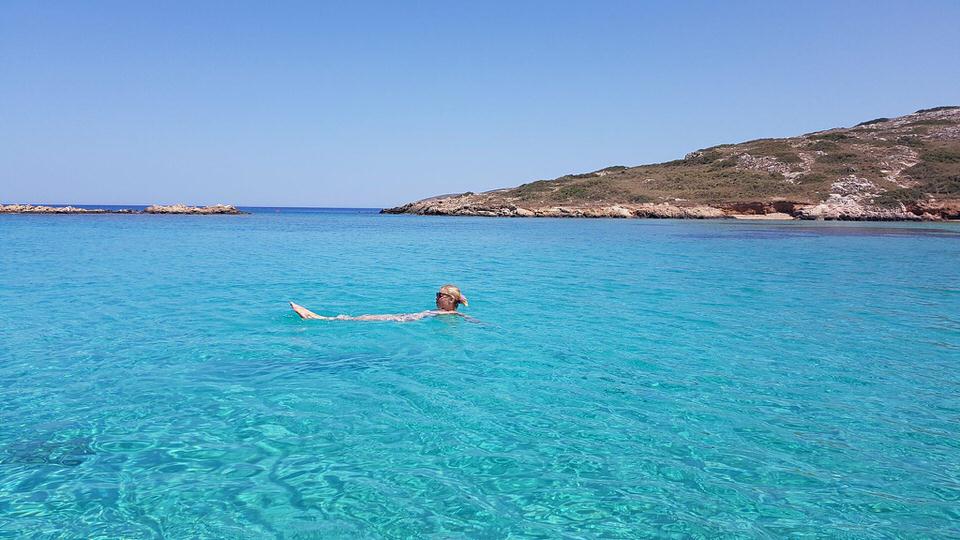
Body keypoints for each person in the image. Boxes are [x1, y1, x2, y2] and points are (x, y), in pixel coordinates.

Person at [290, 284, 475, 322]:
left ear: (450, 299)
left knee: (362, 319)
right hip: (403, 319)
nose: (436, 297)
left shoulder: (454, 314)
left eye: (440, 294)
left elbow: (469, 320)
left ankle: (318, 318)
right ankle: (319, 317)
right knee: (363, 317)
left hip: (404, 320)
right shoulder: (444, 313)